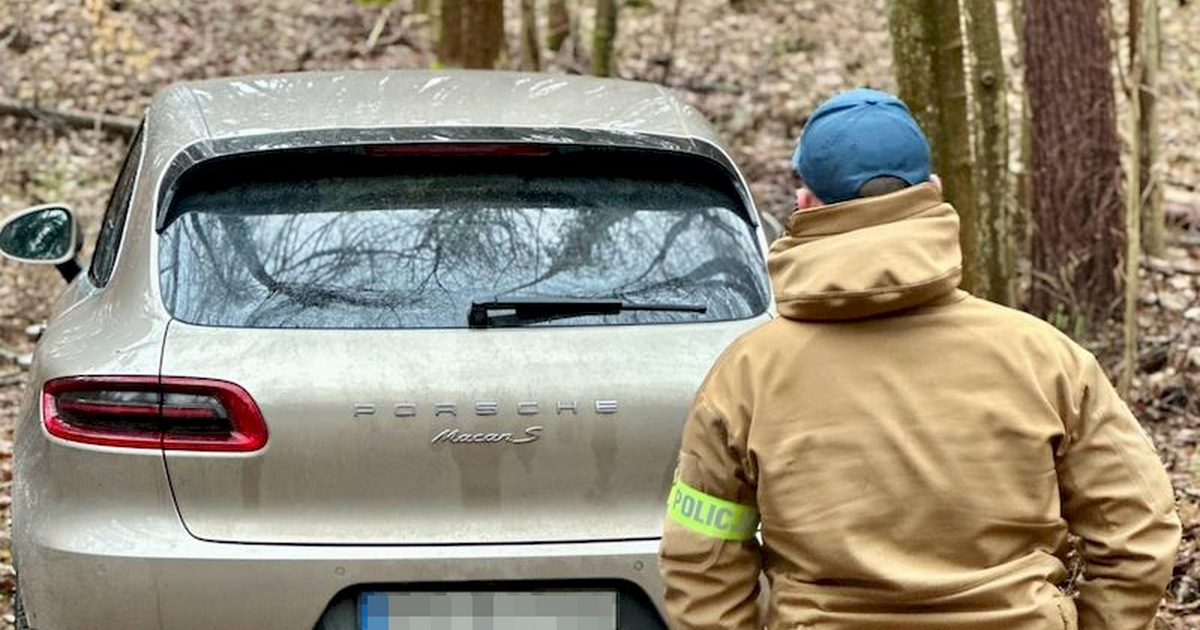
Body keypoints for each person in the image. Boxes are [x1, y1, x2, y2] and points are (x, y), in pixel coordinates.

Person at [658, 88, 1181, 630]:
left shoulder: (745, 376)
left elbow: (702, 559)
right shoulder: (1044, 358)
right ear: (932, 191)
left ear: (805, 205)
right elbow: (1139, 532)